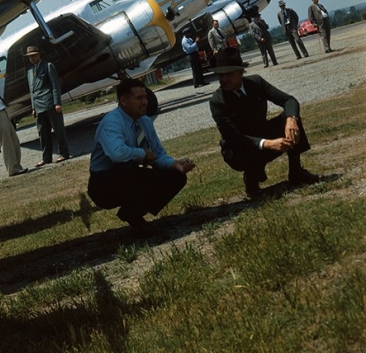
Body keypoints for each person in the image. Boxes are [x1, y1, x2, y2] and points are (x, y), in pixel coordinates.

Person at [87, 78, 195, 236]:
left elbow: (157, 155)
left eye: (145, 97)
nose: (145, 102)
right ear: (123, 100)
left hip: (129, 175)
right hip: (103, 184)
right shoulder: (111, 122)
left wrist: (174, 164)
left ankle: (131, 212)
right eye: (139, 98)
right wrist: (142, 154)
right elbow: (117, 154)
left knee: (177, 177)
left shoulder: (144, 122)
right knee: (126, 166)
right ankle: (136, 219)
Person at [209, 47, 319, 199]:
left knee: (290, 117)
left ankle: (296, 172)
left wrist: (292, 119)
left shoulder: (256, 82)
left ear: (241, 72)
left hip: (261, 133)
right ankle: (252, 182)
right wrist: (267, 144)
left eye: (228, 74)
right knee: (248, 148)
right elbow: (234, 137)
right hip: (237, 149)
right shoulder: (217, 101)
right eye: (220, 75)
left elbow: (289, 100)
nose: (223, 79)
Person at [25, 45, 70, 167]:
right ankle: (46, 158)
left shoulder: (48, 66)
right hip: (38, 107)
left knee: (58, 130)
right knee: (43, 134)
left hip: (50, 103)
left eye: (34, 56)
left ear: (39, 55)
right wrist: (33, 107)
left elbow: (55, 85)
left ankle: (64, 153)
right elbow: (32, 90)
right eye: (30, 57)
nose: (32, 58)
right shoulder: (29, 71)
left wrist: (57, 102)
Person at [0, 68, 27, 177]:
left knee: (14, 140)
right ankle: (12, 169)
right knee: (7, 143)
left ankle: (17, 165)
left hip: (3, 114)